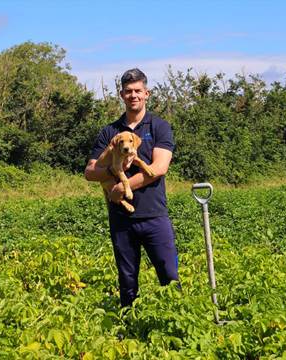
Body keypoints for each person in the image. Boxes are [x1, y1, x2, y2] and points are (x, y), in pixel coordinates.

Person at [84, 68, 180, 307]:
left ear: (147, 93)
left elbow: (158, 168)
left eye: (138, 91)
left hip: (154, 215)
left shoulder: (159, 127)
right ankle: (128, 331)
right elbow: (89, 172)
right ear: (121, 95)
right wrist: (111, 176)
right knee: (127, 282)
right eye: (128, 91)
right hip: (121, 220)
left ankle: (178, 323)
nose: (133, 95)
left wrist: (123, 189)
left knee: (169, 276)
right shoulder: (110, 132)